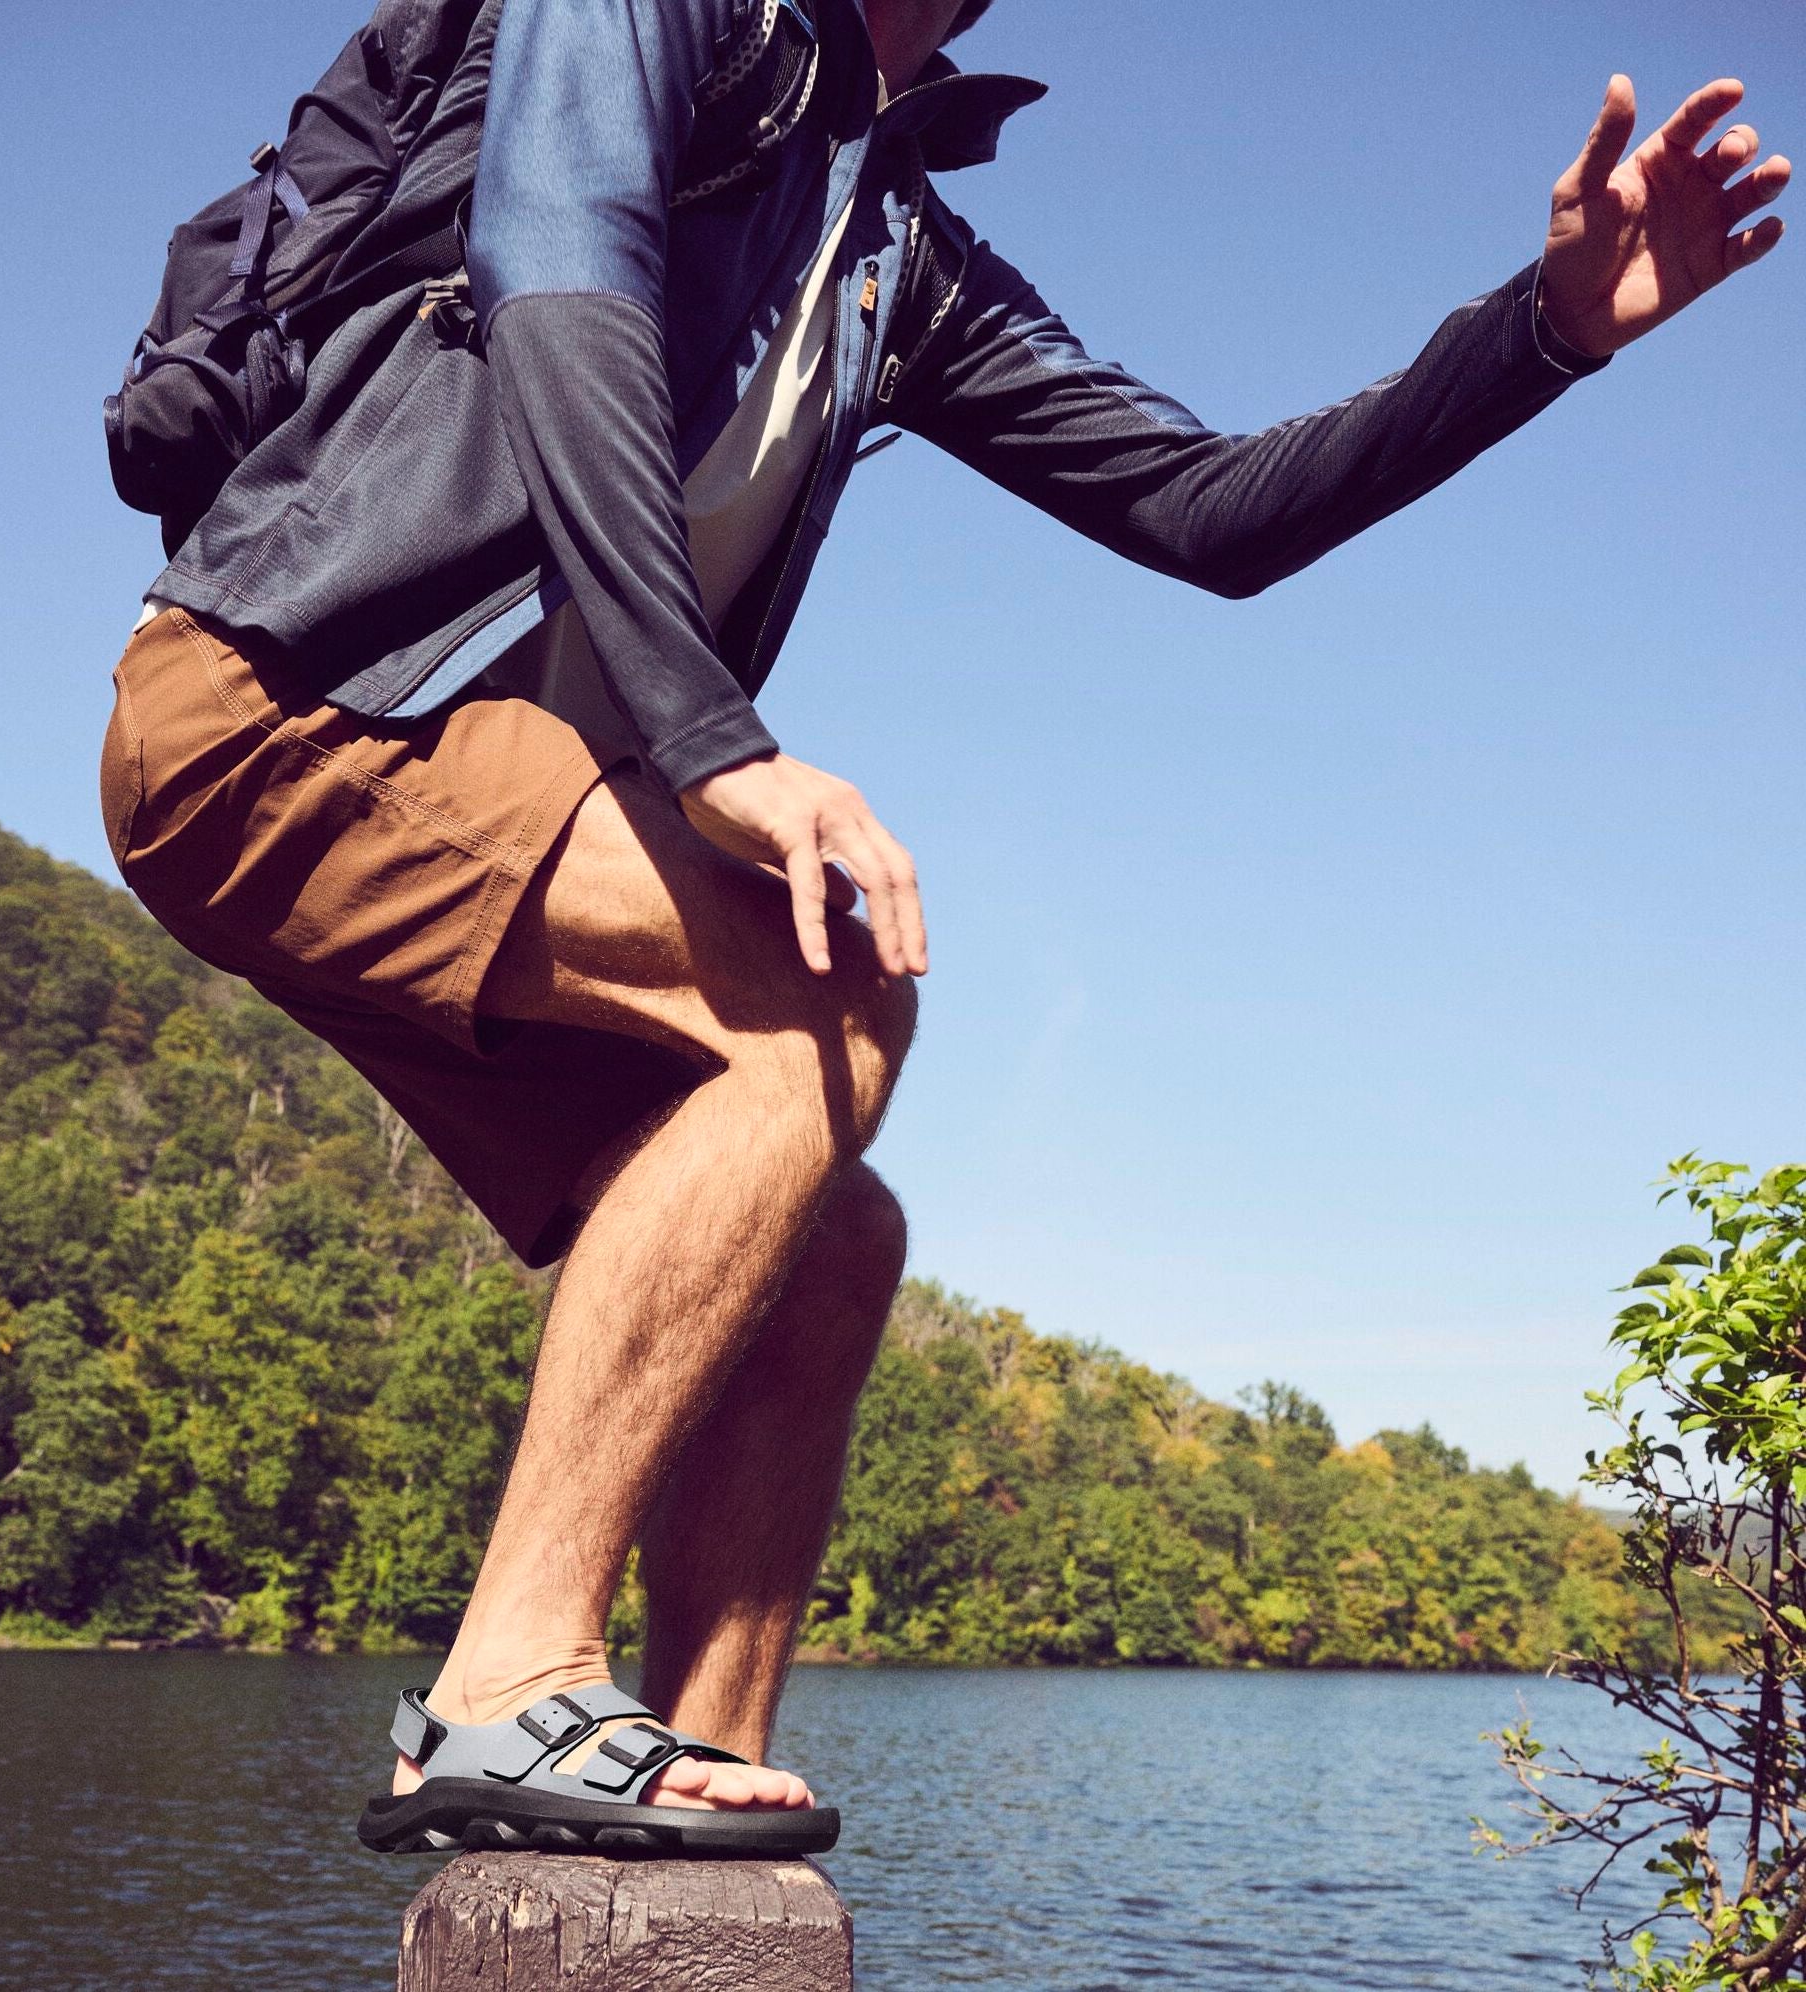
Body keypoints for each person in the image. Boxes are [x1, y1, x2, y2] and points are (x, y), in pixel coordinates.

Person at [99, 0, 1787, 1854]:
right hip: (298, 705)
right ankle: (504, 1684)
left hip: (485, 785)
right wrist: (713, 743)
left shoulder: (894, 242)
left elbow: (1204, 508)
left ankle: (673, 1773)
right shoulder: (650, 14)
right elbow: (557, 280)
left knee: (825, 1238)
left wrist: (1538, 337)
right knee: (819, 1008)